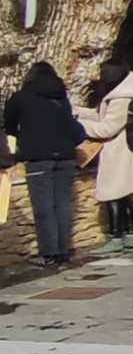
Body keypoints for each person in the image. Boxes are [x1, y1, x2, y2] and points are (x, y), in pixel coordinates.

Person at [4, 62, 86, 266]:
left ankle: (49, 253)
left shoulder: (21, 97)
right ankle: (63, 250)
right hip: (66, 156)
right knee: (63, 204)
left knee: (43, 206)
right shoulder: (61, 97)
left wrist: (23, 139)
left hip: (38, 158)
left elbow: (9, 125)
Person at [76, 61, 133, 256]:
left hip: (119, 152)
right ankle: (131, 235)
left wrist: (79, 126)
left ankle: (117, 237)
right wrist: (78, 112)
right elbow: (101, 115)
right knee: (125, 194)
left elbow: (107, 128)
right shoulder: (125, 92)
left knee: (114, 195)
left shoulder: (121, 98)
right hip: (126, 151)